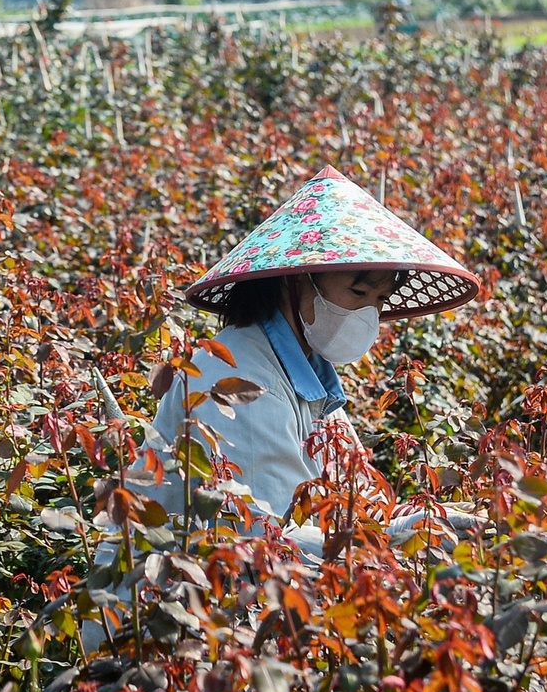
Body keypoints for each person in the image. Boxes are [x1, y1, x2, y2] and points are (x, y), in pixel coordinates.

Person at [103, 166, 482, 562]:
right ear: (296, 281)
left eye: (380, 300)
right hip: (160, 609)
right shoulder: (240, 383)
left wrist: (428, 522)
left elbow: (356, 507)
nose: (370, 315)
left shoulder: (309, 378)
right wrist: (400, 541)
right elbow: (268, 540)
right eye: (358, 292)